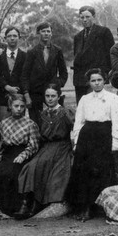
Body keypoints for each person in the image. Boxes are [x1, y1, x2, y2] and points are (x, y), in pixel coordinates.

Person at [67, 68, 118, 221]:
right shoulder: (85, 99)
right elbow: (79, 121)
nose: (96, 83)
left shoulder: (113, 98)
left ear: (104, 80)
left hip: (104, 135)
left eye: (99, 80)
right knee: (84, 172)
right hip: (87, 137)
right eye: (93, 80)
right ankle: (84, 208)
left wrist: (115, 141)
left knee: (101, 170)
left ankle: (102, 208)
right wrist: (76, 142)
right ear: (89, 82)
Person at [16, 84, 73, 218]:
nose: (50, 99)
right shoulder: (42, 114)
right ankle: (28, 204)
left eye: (53, 96)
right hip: (46, 146)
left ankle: (41, 204)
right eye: (47, 96)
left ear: (59, 97)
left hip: (62, 147)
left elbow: (74, 130)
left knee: (52, 168)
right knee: (31, 167)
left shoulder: (65, 113)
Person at [0, 94, 40, 218]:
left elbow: (33, 145)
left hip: (23, 154)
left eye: (22, 106)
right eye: (16, 106)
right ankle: (1, 207)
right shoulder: (3, 124)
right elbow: (0, 144)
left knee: (13, 173)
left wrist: (23, 155)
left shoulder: (30, 124)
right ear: (10, 106)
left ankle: (17, 207)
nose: (19, 109)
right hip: (8, 154)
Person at [21, 22, 68, 127]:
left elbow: (63, 72)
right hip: (35, 93)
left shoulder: (57, 50)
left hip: (52, 92)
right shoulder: (32, 52)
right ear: (39, 33)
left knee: (57, 121)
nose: (46, 34)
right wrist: (27, 95)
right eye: (43, 31)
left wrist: (58, 84)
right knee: (36, 123)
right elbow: (25, 75)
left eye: (48, 31)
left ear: (51, 33)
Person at [73, 6, 114, 103]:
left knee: (96, 106)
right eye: (82, 17)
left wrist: (106, 74)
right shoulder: (78, 36)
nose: (85, 20)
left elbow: (111, 54)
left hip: (96, 78)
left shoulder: (103, 32)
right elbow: (77, 56)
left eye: (87, 17)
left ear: (94, 17)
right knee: (82, 108)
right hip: (80, 80)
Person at [0, 26, 27, 122]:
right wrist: (6, 87)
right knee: (3, 125)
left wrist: (17, 91)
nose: (12, 38)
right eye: (9, 36)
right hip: (2, 98)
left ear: (19, 38)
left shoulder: (25, 56)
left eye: (15, 36)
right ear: (5, 39)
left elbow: (26, 76)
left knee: (19, 126)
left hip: (19, 98)